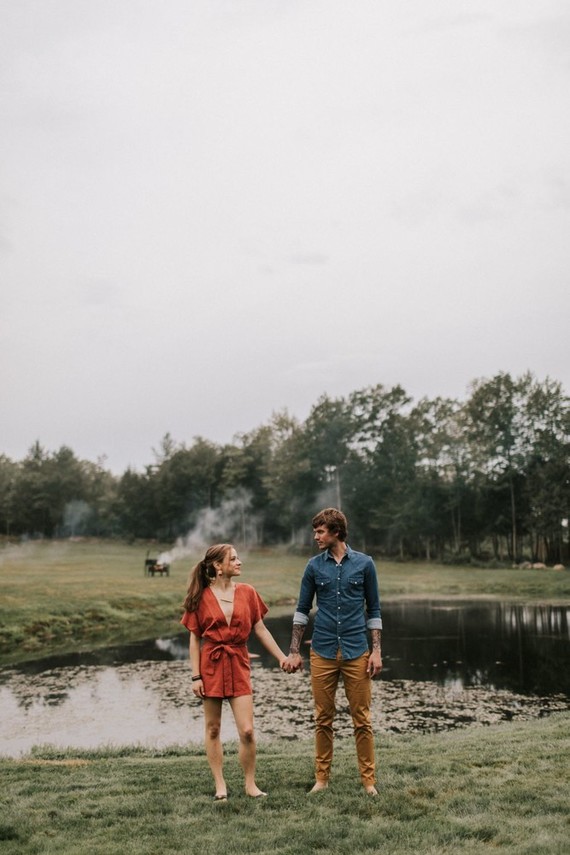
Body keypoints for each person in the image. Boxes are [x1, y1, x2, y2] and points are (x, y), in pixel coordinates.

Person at [282, 508, 383, 795]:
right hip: (323, 651)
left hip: (357, 652)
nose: (315, 537)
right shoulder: (313, 567)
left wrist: (376, 651)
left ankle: (369, 782)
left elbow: (374, 610)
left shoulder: (365, 564)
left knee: (362, 720)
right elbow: (302, 611)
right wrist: (294, 651)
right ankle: (322, 779)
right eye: (315, 532)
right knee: (323, 719)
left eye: (320, 531)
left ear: (336, 532)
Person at [181, 543, 288, 800]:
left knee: (247, 730)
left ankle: (250, 785)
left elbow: (261, 630)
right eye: (234, 559)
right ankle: (220, 785)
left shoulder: (248, 592)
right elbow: (195, 639)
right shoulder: (200, 597)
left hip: (238, 664)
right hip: (211, 666)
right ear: (218, 566)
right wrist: (196, 676)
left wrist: (282, 657)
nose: (239, 562)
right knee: (213, 728)